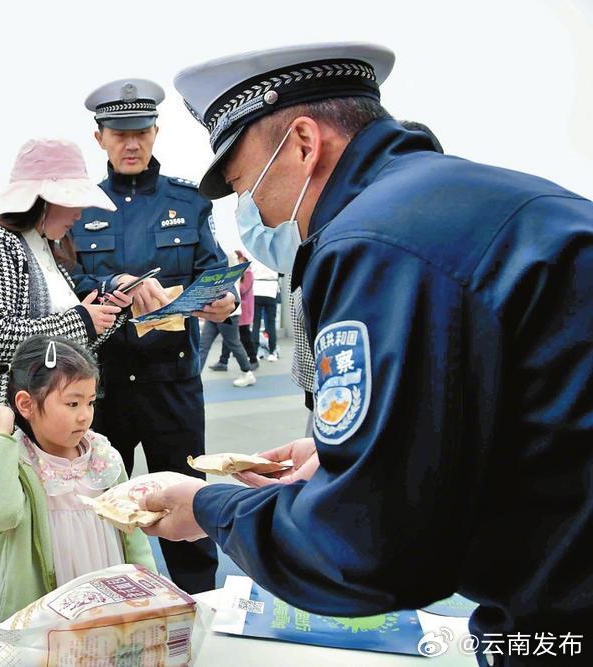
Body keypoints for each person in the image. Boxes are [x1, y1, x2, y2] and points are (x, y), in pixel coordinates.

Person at [138, 43, 593, 666]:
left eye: (244, 184)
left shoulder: (370, 243)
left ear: (303, 142)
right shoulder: (477, 198)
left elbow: (370, 544)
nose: (252, 210)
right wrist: (337, 454)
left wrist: (209, 507)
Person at [0, 138, 130, 622]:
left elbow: (63, 352)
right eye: (74, 200)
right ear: (42, 199)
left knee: (32, 571)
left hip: (30, 435)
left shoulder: (40, 246)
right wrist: (84, 321)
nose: (80, 213)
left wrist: (111, 310)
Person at [70, 78, 231, 594]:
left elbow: (215, 271)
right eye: (119, 134)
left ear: (156, 131)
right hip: (102, 387)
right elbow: (63, 278)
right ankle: (112, 607)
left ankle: (199, 606)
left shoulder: (189, 201)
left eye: (140, 131)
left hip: (172, 384)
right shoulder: (79, 208)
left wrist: (219, 300)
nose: (131, 144)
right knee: (101, 509)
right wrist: (108, 283)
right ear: (100, 139)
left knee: (185, 505)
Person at [0, 335, 156, 623]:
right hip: (46, 614)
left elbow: (133, 533)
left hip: (111, 598)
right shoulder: (14, 460)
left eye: (89, 402)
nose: (85, 416)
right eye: (72, 404)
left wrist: (148, 587)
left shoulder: (102, 456)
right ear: (26, 405)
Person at [212, 249, 260, 371]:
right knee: (228, 337)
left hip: (243, 309)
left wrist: (234, 284)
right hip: (234, 308)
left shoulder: (247, 273)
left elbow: (243, 290)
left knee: (244, 336)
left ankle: (253, 359)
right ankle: (223, 361)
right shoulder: (235, 273)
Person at [251, 254, 281, 362]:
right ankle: (272, 351)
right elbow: (281, 271)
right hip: (271, 289)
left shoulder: (255, 254)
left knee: (256, 323)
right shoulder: (274, 255)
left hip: (257, 288)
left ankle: (254, 352)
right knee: (271, 323)